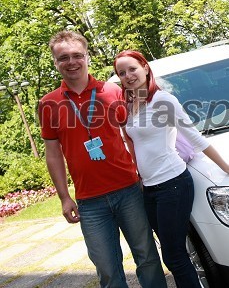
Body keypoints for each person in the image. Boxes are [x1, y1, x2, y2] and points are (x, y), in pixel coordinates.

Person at [113, 50, 229, 288]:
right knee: (171, 254)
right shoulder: (129, 106)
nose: (128, 75)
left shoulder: (163, 101)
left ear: (145, 68)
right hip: (149, 189)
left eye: (133, 69)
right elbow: (133, 144)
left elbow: (195, 138)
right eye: (122, 72)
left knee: (174, 255)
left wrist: (227, 167)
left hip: (173, 184)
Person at [38, 31, 167, 288]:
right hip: (89, 201)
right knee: (107, 269)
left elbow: (133, 135)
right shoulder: (48, 104)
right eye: (64, 57)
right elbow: (52, 153)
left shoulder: (112, 91)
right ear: (55, 62)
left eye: (77, 55)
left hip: (129, 190)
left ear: (87, 57)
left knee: (148, 258)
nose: (72, 62)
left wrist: (142, 173)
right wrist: (64, 197)